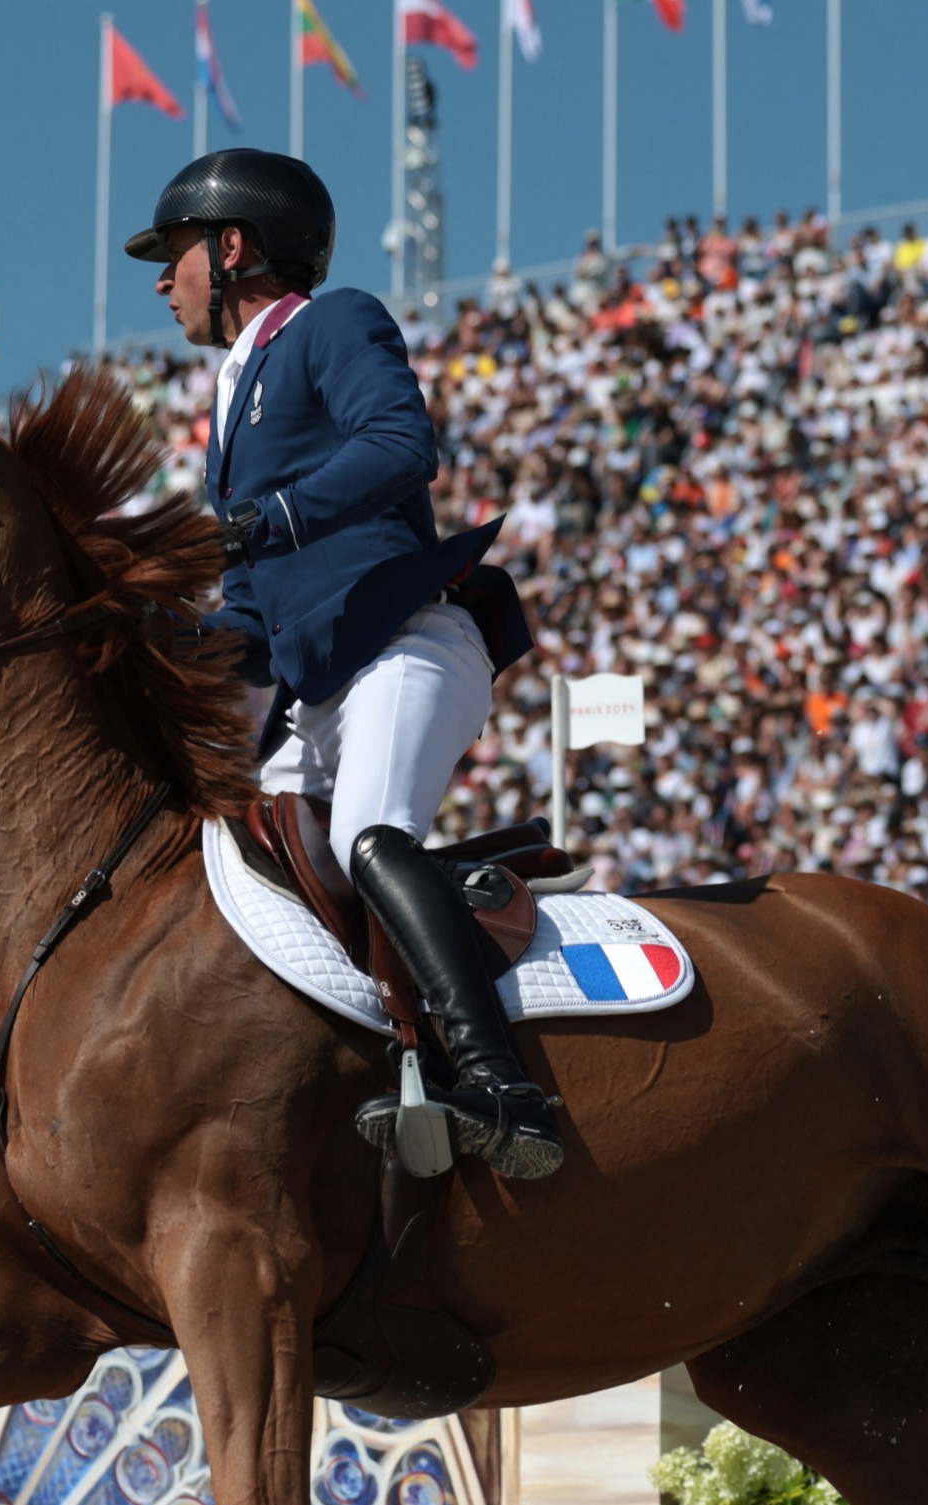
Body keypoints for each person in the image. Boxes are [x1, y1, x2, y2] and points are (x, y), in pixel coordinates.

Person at [124, 149, 557, 1178]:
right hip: (318, 689)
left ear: (233, 248)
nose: (159, 278)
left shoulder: (334, 320)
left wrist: (263, 520)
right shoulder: (230, 409)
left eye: (173, 253)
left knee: (368, 834)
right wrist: (144, 635)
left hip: (407, 643)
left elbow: (404, 445)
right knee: (241, 869)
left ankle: (503, 1087)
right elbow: (254, 629)